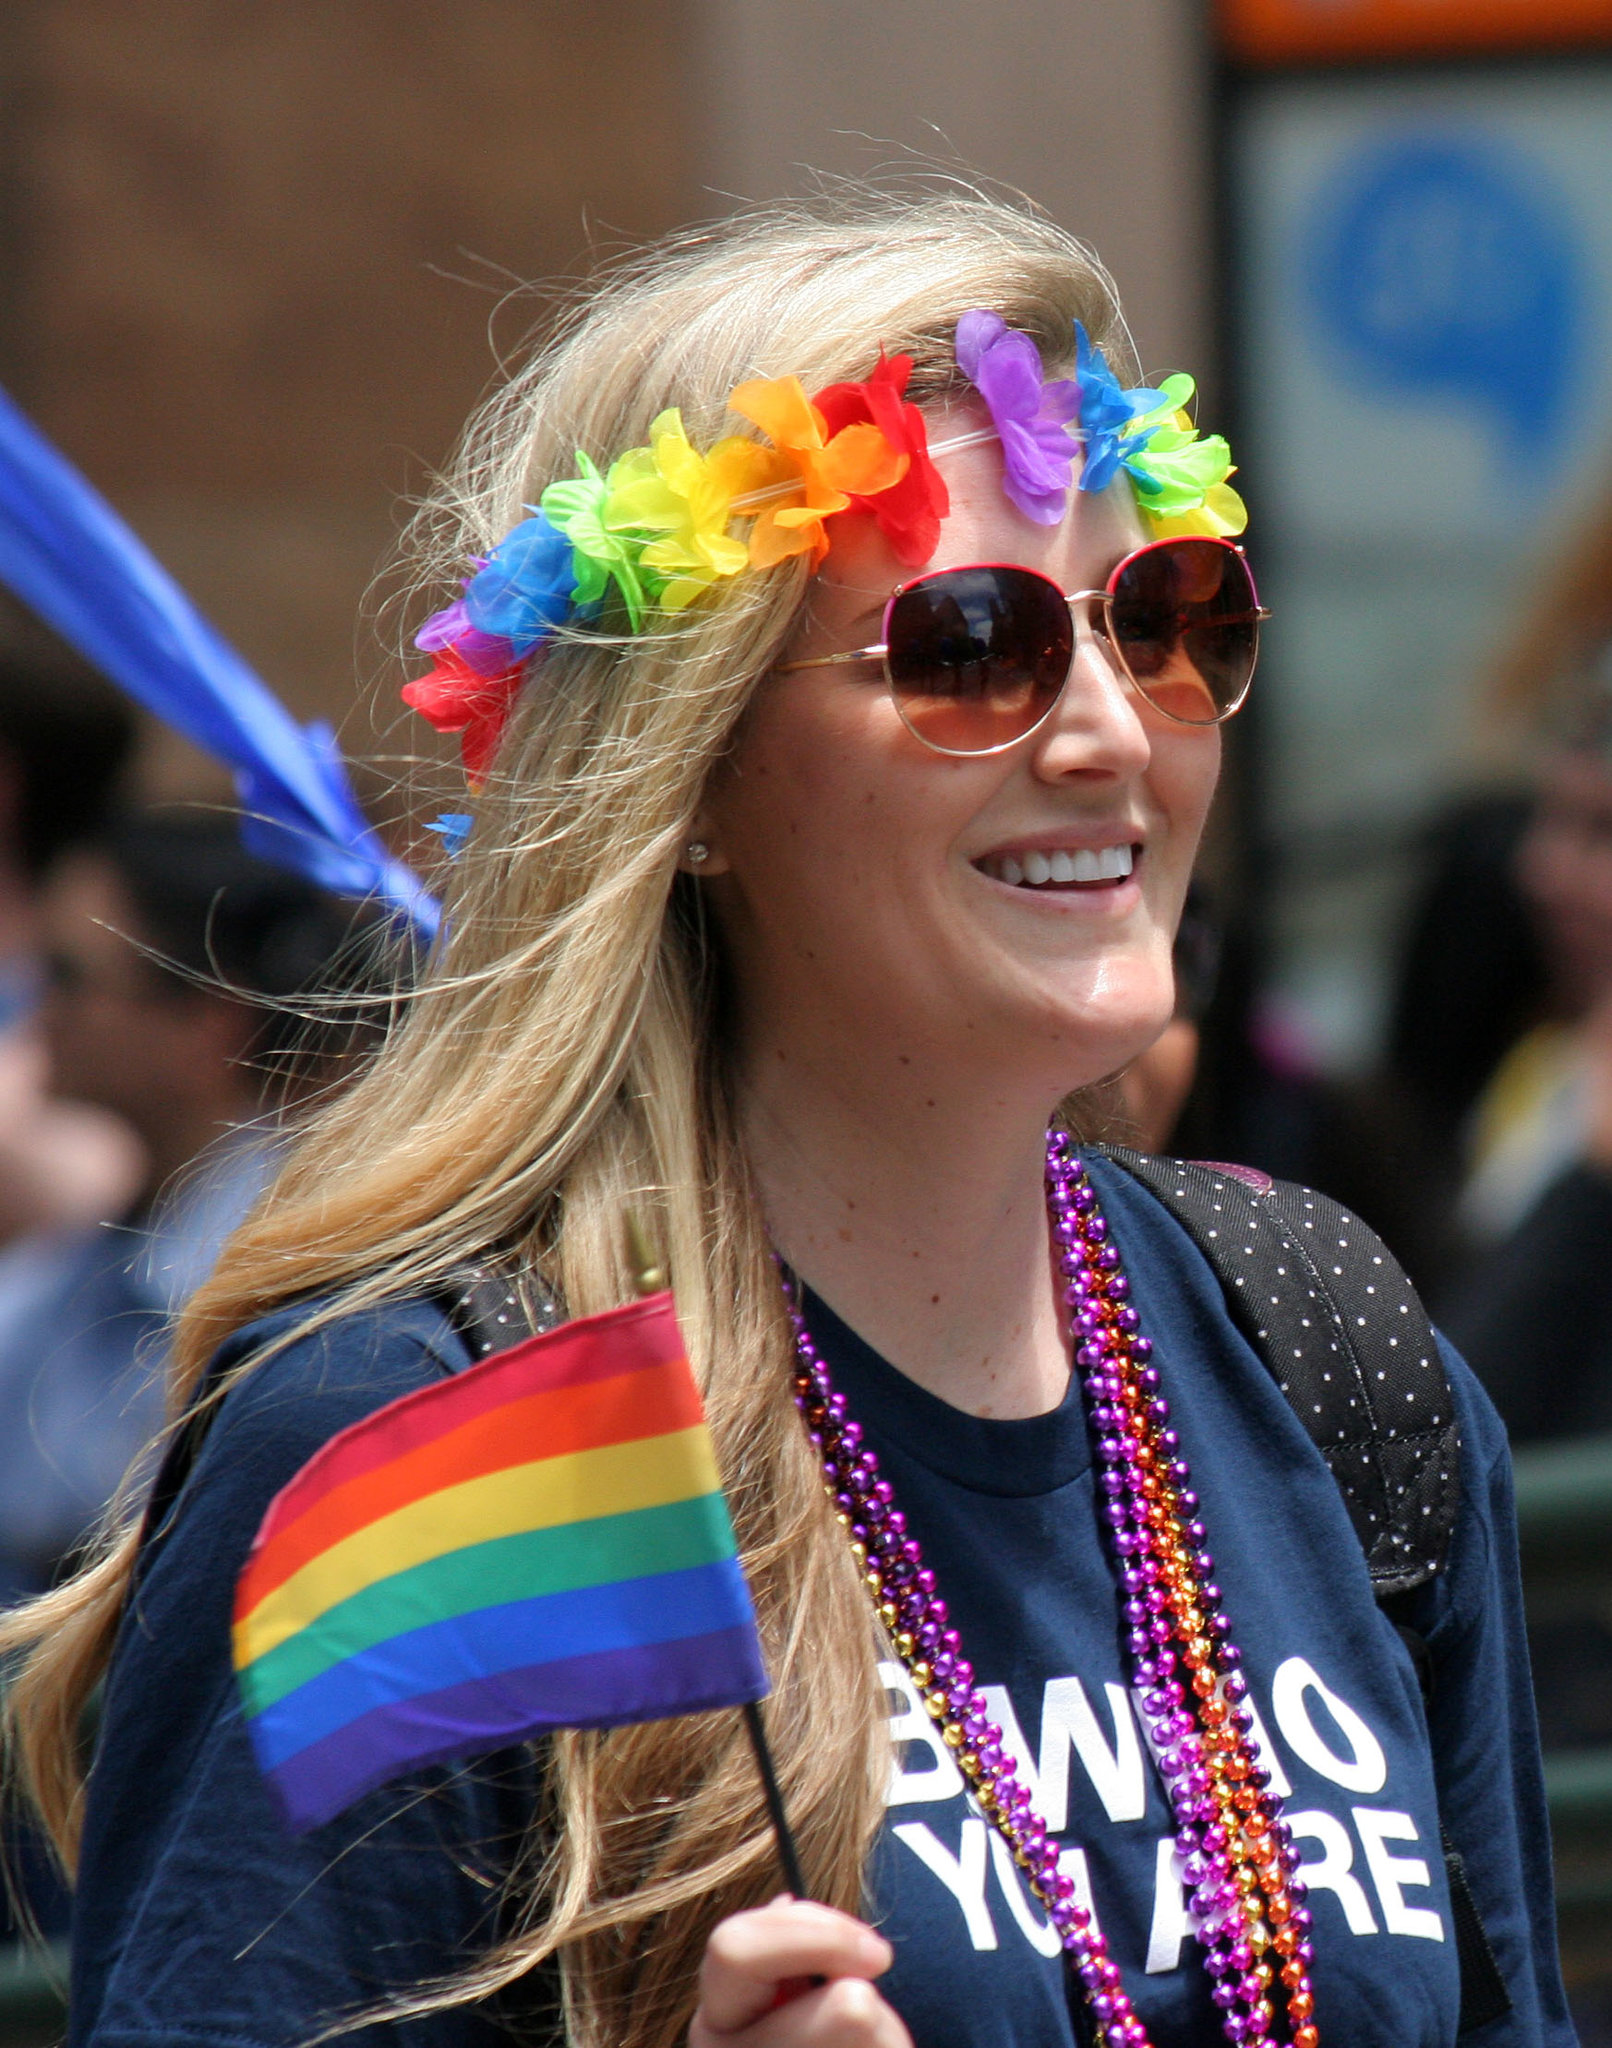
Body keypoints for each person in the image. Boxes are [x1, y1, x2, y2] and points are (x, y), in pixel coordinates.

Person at [0, 194, 1571, 2048]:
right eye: (967, 641)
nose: (1106, 731)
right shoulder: (430, 1450)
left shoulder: (1319, 1347)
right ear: (695, 778)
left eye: (1163, 619)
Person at [0, 811, 383, 1603]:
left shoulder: (270, 1275)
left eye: (73, 976)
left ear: (208, 1021)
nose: (40, 1007)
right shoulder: (117, 1244)